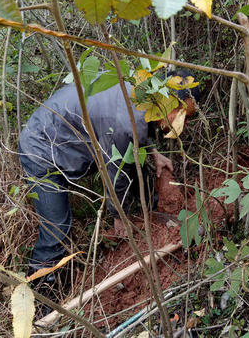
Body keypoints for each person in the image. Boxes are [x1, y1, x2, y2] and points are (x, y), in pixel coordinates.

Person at [18, 70, 199, 275]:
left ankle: (147, 213)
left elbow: (135, 126)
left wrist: (153, 152)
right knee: (56, 229)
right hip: (41, 148)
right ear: (166, 100)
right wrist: (118, 215)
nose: (179, 123)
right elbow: (116, 172)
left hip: (58, 135)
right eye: (179, 113)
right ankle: (41, 290)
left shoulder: (139, 88)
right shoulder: (124, 121)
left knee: (133, 164)